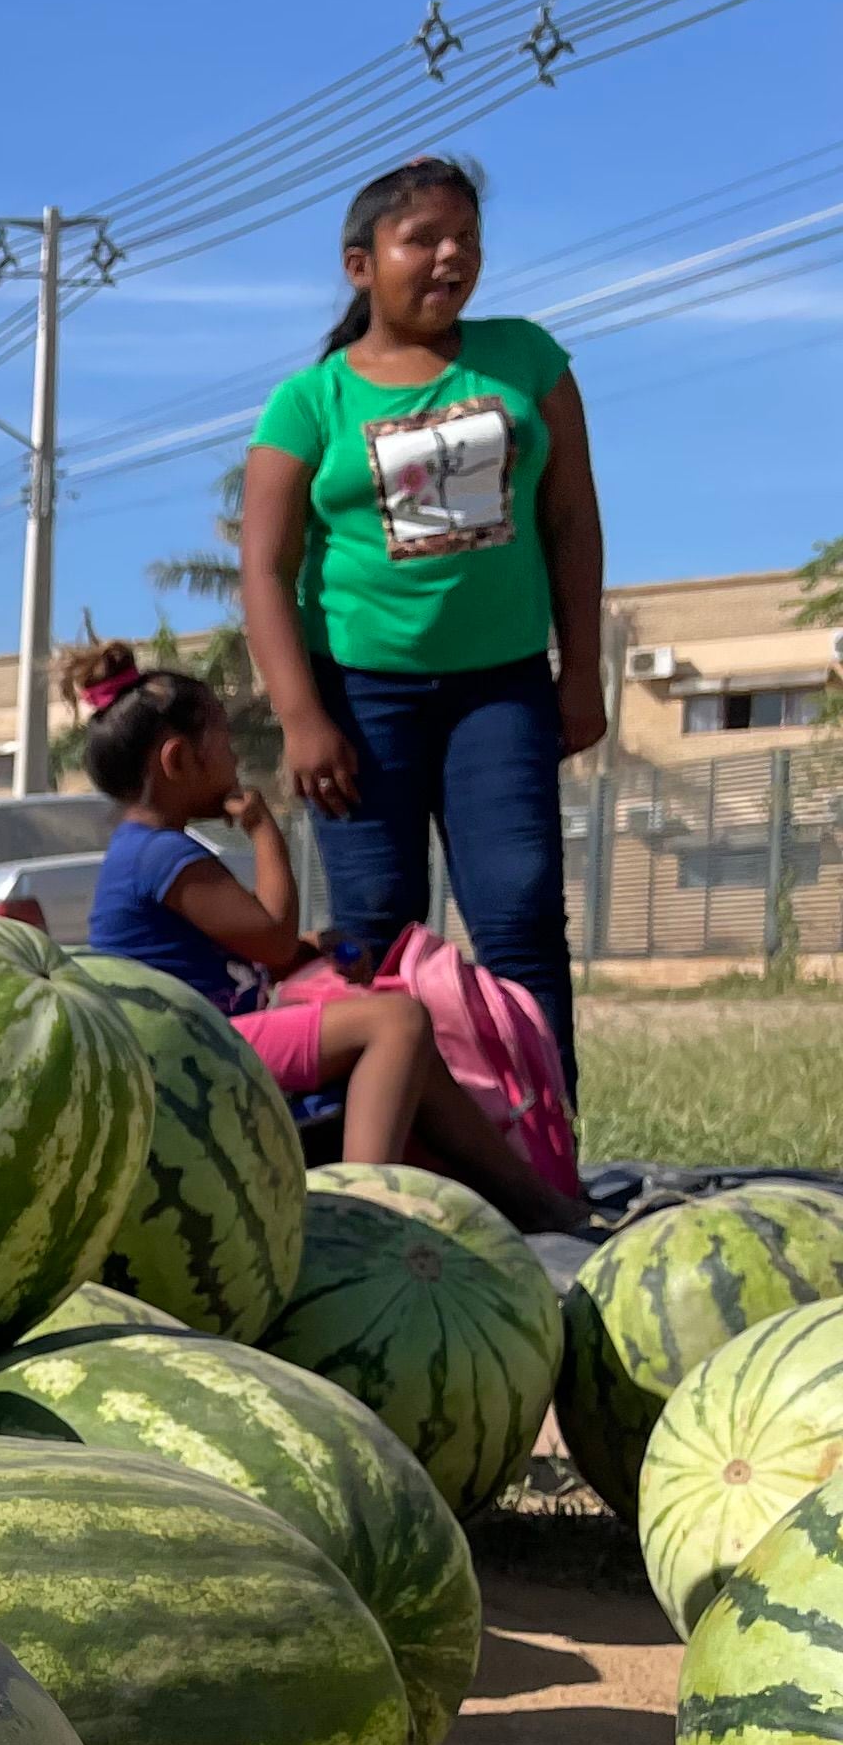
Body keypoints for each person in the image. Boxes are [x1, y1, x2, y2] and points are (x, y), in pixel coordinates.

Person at [239, 153, 604, 1103]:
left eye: (467, 240)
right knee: (375, 927)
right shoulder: (310, 402)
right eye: (425, 240)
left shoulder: (527, 359)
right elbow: (266, 571)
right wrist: (301, 715)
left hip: (503, 690)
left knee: (520, 914)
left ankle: (540, 1138)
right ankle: (388, 1155)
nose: (452, 257)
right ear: (361, 265)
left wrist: (582, 673)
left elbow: (573, 525)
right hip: (360, 701)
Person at [67, 636, 586, 1233]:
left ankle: (531, 1198)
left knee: (405, 1041)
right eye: (224, 744)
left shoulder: (149, 852)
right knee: (397, 1023)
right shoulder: (159, 856)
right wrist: (265, 833)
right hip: (191, 1056)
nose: (236, 761)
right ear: (178, 761)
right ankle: (361, 1217)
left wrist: (319, 947)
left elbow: (255, 953)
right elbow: (272, 938)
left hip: (206, 1041)